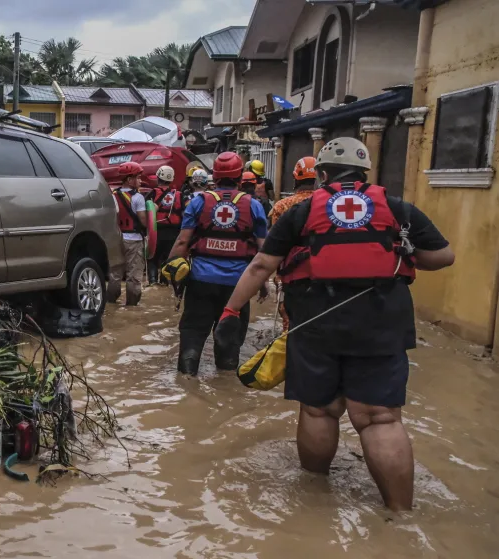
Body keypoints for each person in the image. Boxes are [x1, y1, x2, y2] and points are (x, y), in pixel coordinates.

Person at [214, 138, 454, 511]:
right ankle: (400, 515)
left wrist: (230, 311)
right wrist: (405, 251)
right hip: (381, 323)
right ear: (364, 172)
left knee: (318, 410)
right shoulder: (396, 207)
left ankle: (314, 501)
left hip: (314, 320)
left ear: (322, 174)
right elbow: (444, 256)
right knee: (380, 419)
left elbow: (262, 265)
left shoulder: (302, 211)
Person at [166, 151, 269, 375]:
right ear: (240, 176)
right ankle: (225, 383)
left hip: (200, 281)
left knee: (192, 334)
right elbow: (263, 250)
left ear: (216, 176)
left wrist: (173, 276)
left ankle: (187, 381)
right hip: (238, 287)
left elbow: (183, 241)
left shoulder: (199, 202)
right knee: (230, 342)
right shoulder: (254, 206)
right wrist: (263, 283)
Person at [269, 156, 319, 331]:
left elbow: (275, 248)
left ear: (295, 177)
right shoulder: (327, 203)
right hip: (323, 272)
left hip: (291, 275)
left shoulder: (282, 206)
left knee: (289, 320)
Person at [107, 161, 148, 306]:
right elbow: (144, 221)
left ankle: (110, 303)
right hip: (134, 240)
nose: (140, 181)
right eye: (138, 177)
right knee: (134, 275)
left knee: (115, 274)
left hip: (116, 239)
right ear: (129, 179)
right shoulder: (138, 198)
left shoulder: (112, 195)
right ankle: (132, 306)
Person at [147, 165, 183, 285]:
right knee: (168, 260)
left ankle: (152, 282)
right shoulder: (179, 195)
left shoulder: (152, 193)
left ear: (158, 178)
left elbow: (146, 212)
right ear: (171, 179)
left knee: (152, 259)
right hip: (174, 234)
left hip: (156, 232)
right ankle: (164, 283)